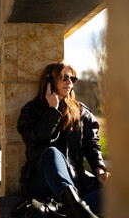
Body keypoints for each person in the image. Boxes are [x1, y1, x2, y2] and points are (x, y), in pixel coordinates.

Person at [17, 61, 110, 218]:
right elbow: (35, 139)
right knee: (52, 153)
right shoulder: (31, 110)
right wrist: (52, 111)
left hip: (75, 180)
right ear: (50, 81)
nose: (69, 83)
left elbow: (91, 144)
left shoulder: (81, 112)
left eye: (72, 79)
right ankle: (73, 207)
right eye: (64, 77)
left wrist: (99, 169)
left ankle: (57, 210)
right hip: (41, 181)